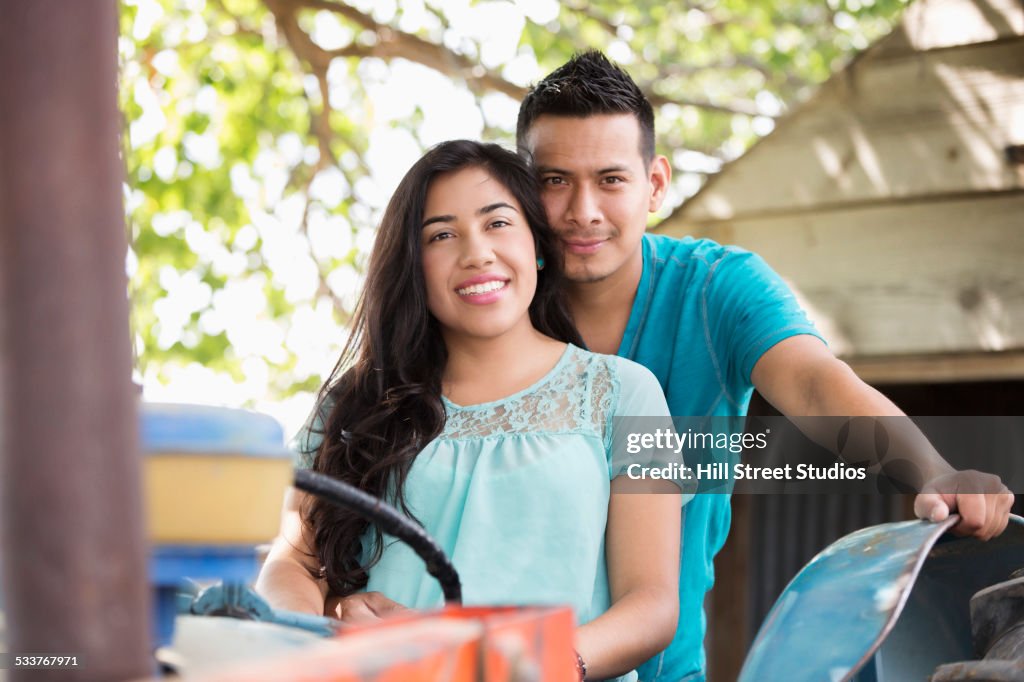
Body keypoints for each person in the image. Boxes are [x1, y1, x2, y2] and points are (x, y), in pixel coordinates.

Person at [513, 50, 1015, 681]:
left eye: (611, 179)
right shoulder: (489, 301)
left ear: (655, 183)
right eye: (554, 180)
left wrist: (931, 472)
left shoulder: (717, 288)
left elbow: (812, 382)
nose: (582, 209)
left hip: (661, 668)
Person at [256, 140, 685, 681]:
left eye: (498, 223)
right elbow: (292, 561)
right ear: (415, 266)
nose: (476, 252)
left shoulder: (626, 393)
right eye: (441, 235)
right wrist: (315, 644)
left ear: (538, 246)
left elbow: (651, 606)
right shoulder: (355, 404)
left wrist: (502, 665)